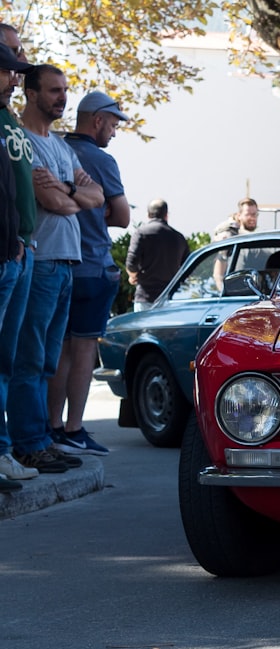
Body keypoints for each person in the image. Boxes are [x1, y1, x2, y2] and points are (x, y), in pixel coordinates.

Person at [10, 64, 104, 473]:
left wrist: (67, 189)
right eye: (53, 91)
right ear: (30, 93)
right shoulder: (22, 142)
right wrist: (72, 195)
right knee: (29, 360)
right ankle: (27, 442)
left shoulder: (64, 149)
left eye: (65, 90)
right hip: (42, 260)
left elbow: (95, 196)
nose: (62, 98)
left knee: (48, 360)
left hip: (67, 264)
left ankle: (42, 438)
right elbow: (51, 203)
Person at [49, 90, 130, 456]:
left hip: (58, 261)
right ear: (97, 120)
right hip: (94, 265)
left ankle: (51, 426)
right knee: (83, 352)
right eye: (112, 125)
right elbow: (123, 216)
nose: (113, 132)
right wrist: (94, 213)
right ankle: (75, 427)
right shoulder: (100, 159)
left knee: (57, 351)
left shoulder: (56, 150)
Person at [0, 39, 36, 491]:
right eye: (7, 70)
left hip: (16, 253)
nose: (14, 80)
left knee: (7, 362)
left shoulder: (10, 121)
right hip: (7, 254)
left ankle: (4, 451)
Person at [126, 199, 189, 311]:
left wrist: (133, 276)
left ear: (148, 214)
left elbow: (131, 262)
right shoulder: (179, 237)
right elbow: (187, 269)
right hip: (170, 298)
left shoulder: (141, 233)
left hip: (145, 296)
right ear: (166, 215)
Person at [213, 197, 259, 288]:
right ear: (239, 216)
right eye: (248, 214)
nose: (252, 218)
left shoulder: (259, 238)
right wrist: (222, 291)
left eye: (254, 214)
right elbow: (218, 272)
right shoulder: (231, 237)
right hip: (236, 289)